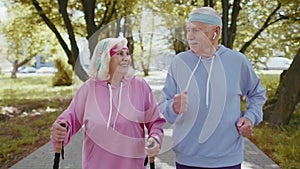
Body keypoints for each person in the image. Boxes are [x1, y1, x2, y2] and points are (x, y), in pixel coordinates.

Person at [158, 7, 266, 169]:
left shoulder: (237, 61)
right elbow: (162, 107)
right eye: (188, 30)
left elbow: (257, 94)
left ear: (216, 31)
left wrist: (250, 117)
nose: (190, 36)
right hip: (186, 159)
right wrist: (173, 108)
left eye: (196, 30)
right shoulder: (179, 62)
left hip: (228, 160)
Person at [50, 37, 166, 169]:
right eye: (120, 54)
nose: (126, 58)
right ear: (106, 58)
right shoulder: (89, 88)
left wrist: (155, 139)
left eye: (127, 54)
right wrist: (61, 128)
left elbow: (155, 121)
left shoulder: (139, 86)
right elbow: (70, 118)